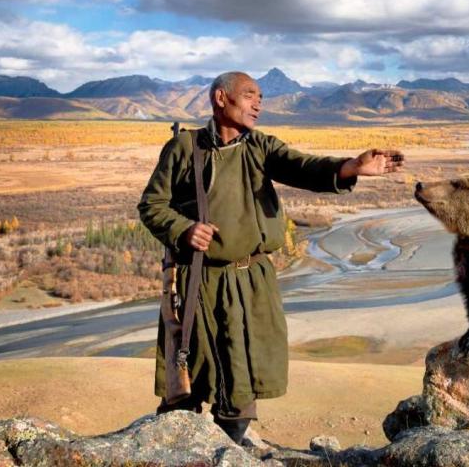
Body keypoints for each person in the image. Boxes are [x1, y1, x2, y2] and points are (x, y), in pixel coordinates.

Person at [137, 71, 405, 443]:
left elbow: (303, 167)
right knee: (189, 379)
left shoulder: (261, 147)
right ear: (220, 98)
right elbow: (152, 204)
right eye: (249, 95)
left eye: (261, 97)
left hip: (251, 283)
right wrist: (183, 229)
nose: (258, 104)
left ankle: (229, 447)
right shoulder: (185, 148)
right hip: (199, 279)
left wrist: (351, 168)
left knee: (242, 379)